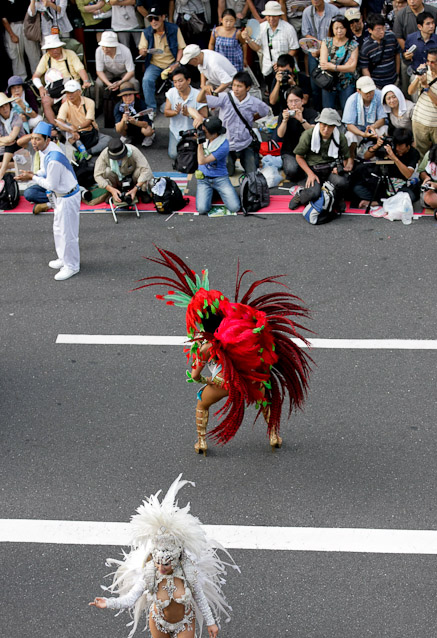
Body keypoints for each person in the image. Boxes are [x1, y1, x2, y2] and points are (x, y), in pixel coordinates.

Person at [137, 249, 312, 454]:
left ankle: (201, 442)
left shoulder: (205, 347)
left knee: (202, 405)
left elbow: (195, 375)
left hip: (224, 383)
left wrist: (207, 381)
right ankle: (274, 435)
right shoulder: (240, 326)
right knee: (265, 399)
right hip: (251, 379)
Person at [90, 474, 239, 638]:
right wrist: (107, 603)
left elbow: (200, 598)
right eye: (158, 562)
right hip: (157, 623)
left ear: (176, 559)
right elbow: (130, 599)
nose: (161, 567)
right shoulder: (149, 574)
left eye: (166, 564)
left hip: (183, 624)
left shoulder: (189, 574)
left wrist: (211, 623)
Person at [15, 121, 80, 281]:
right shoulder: (46, 151)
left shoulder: (54, 159)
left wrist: (32, 177)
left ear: (47, 140)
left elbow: (51, 184)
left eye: (38, 139)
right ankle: (63, 259)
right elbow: (45, 170)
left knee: (68, 234)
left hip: (67, 197)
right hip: (60, 196)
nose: (34, 142)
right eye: (33, 138)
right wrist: (35, 173)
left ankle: (72, 266)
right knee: (58, 229)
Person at [197, 70, 269, 176]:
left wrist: (251, 119)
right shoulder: (224, 97)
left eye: (239, 86)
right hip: (226, 145)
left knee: (252, 172)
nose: (235, 89)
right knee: (228, 172)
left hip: (245, 143)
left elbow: (264, 111)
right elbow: (200, 100)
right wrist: (204, 90)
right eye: (234, 85)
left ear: (248, 88)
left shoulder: (254, 102)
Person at [288, 107, 353, 209]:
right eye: (324, 125)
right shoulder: (308, 135)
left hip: (331, 170)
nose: (326, 129)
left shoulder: (340, 137)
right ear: (319, 123)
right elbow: (299, 157)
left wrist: (341, 168)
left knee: (342, 182)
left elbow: (346, 157)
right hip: (313, 169)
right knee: (313, 194)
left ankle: (337, 198)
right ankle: (300, 194)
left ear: (335, 126)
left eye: (330, 126)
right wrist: (310, 174)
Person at [350, 127, 420, 206]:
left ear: (408, 144)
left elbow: (408, 174)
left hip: (400, 185)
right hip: (381, 183)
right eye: (396, 144)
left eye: (400, 145)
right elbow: (366, 157)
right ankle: (389, 201)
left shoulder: (413, 153)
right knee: (357, 189)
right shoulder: (389, 145)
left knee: (410, 197)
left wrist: (394, 158)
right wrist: (377, 145)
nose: (397, 148)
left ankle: (378, 202)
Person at [32, 35, 92, 125]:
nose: (54, 50)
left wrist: (85, 81)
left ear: (60, 47)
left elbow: (80, 69)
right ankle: (55, 126)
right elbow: (36, 76)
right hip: (54, 88)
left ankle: (65, 124)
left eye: (56, 48)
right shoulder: (46, 57)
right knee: (45, 101)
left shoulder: (70, 54)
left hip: (70, 86)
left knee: (66, 100)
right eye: (51, 49)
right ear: (48, 50)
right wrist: (41, 88)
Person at [138, 5, 186, 115]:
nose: (153, 22)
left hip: (172, 63)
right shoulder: (146, 32)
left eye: (156, 18)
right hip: (155, 64)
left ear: (163, 17)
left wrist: (177, 63)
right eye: (150, 19)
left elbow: (181, 48)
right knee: (146, 80)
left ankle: (176, 106)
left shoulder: (174, 29)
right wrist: (143, 52)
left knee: (178, 80)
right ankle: (151, 109)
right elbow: (141, 50)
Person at [191, 115, 241, 214]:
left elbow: (202, 161)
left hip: (220, 178)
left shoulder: (223, 145)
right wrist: (197, 119)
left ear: (215, 134)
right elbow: (192, 111)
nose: (203, 132)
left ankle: (218, 192)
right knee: (202, 209)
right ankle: (213, 193)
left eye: (205, 132)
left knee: (235, 207)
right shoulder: (208, 126)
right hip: (203, 178)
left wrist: (200, 143)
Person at [408, 47, 437, 158]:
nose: (429, 64)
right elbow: (410, 91)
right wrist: (418, 78)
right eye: (428, 61)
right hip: (419, 120)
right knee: (420, 154)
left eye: (433, 62)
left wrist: (426, 86)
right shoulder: (424, 72)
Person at [242, 1, 299, 81]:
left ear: (279, 16)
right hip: (268, 68)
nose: (271, 19)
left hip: (285, 68)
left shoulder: (288, 28)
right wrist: (248, 39)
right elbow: (257, 48)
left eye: (274, 16)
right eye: (269, 16)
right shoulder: (261, 27)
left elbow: (294, 49)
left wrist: (281, 64)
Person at [55, 79, 110, 155]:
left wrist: (77, 127)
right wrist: (72, 130)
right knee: (62, 127)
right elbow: (59, 121)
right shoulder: (65, 105)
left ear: (79, 92)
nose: (69, 95)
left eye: (72, 92)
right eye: (67, 93)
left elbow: (89, 121)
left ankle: (86, 152)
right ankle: (82, 148)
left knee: (108, 140)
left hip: (89, 132)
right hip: (75, 134)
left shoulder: (89, 102)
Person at [274, 85, 317, 179]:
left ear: (302, 101)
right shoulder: (284, 114)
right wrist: (284, 121)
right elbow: (280, 134)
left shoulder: (311, 113)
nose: (293, 104)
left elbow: (314, 131)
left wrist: (302, 120)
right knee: (292, 170)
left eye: (296, 101)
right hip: (290, 152)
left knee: (316, 170)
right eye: (290, 101)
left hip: (308, 152)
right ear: (287, 103)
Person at [94, 137, 154, 204]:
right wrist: (111, 189)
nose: (118, 159)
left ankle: (141, 191)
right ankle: (115, 191)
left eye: (120, 156)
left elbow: (146, 170)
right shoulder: (104, 154)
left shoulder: (133, 150)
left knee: (141, 170)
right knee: (107, 171)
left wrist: (136, 188)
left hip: (132, 177)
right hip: (116, 179)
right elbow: (97, 175)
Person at [164, 68, 208, 160]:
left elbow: (204, 116)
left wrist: (189, 114)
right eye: (175, 82)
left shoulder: (198, 95)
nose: (178, 85)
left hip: (193, 132)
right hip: (176, 131)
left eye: (180, 81)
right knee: (173, 155)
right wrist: (175, 112)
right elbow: (166, 112)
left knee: (195, 154)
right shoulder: (171, 92)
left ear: (188, 80)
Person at [341, 75, 387, 157]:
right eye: (367, 92)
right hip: (359, 130)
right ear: (358, 90)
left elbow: (382, 119)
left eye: (372, 91)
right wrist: (362, 134)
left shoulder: (379, 95)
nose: (370, 94)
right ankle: (351, 156)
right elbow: (349, 125)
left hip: (374, 128)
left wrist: (373, 126)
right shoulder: (352, 100)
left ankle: (382, 153)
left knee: (384, 129)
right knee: (349, 136)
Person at [319, 15, 358, 110]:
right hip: (329, 81)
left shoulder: (353, 44)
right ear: (332, 29)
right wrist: (343, 67)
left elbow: (352, 67)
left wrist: (333, 67)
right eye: (336, 28)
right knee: (328, 111)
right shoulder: (326, 42)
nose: (339, 31)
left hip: (346, 82)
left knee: (347, 110)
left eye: (342, 28)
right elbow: (324, 64)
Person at [94, 31, 139, 109]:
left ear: (114, 46)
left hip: (124, 72)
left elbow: (131, 71)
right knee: (98, 83)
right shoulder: (99, 51)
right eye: (103, 46)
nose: (104, 49)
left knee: (134, 82)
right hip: (108, 72)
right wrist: (109, 84)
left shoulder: (125, 50)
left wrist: (121, 82)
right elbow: (99, 71)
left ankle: (137, 104)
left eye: (108, 47)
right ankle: (98, 107)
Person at [1, 0, 41, 80]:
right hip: (13, 26)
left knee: (34, 53)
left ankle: (38, 78)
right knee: (16, 56)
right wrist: (12, 35)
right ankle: (20, 80)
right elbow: (3, 19)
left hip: (27, 24)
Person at [359, 13, 401, 89]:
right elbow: (365, 68)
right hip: (377, 84)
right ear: (370, 30)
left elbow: (397, 54)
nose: (382, 32)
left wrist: (397, 73)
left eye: (383, 28)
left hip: (393, 81)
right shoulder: (366, 47)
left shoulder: (391, 37)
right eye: (378, 29)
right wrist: (371, 85)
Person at [0, 92, 26, 182]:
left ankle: (2, 171)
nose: (4, 108)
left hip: (19, 145)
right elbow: (8, 139)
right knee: (8, 145)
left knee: (10, 144)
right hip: (5, 148)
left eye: (6, 105)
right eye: (1, 107)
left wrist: (3, 141)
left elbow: (12, 137)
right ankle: (12, 165)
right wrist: (4, 141)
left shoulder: (16, 117)